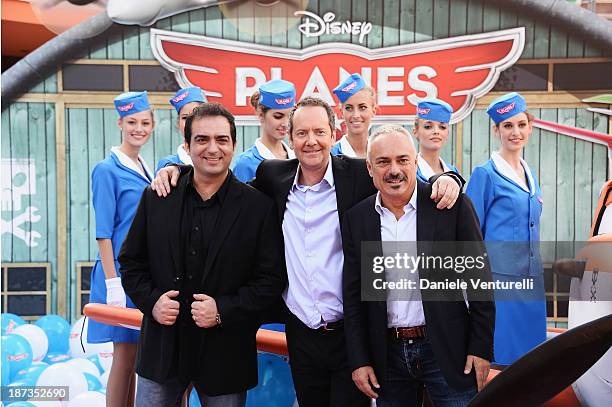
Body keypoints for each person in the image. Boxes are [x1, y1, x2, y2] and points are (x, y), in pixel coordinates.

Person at [152, 97, 464, 407]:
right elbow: (224, 185)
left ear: (334, 134)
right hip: (301, 334)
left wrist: (446, 178)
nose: (311, 141)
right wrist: (175, 169)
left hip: (349, 333)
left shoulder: (359, 175)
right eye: (302, 133)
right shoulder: (274, 177)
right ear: (290, 137)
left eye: (319, 132)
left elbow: (403, 178)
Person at [119, 103, 286, 407]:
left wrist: (223, 309)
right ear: (187, 145)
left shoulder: (257, 208)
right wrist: (152, 302)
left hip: (225, 356)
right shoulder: (158, 197)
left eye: (222, 140)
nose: (213, 148)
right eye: (202, 139)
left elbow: (270, 281)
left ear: (234, 145)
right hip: (162, 349)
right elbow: (131, 262)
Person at [342, 124, 495, 407]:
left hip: (449, 350)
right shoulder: (357, 219)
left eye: (402, 160)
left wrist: (481, 347)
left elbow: (479, 280)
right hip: (387, 357)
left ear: (415, 162)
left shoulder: (450, 206)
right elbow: (353, 297)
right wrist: (359, 359)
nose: (394, 170)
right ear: (369, 168)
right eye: (383, 162)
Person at [465, 92, 546, 366]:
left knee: (534, 363)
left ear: (530, 127)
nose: (516, 132)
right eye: (508, 126)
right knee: (504, 364)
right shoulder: (485, 174)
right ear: (496, 130)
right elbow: (470, 236)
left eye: (521, 124)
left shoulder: (529, 174)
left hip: (532, 285)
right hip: (500, 289)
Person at [88, 91, 155, 406]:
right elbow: (103, 232)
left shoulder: (145, 167)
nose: (138, 129)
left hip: (138, 274)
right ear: (120, 123)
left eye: (144, 122)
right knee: (125, 357)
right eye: (132, 122)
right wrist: (113, 284)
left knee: (137, 358)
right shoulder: (107, 169)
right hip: (117, 274)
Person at [233, 79, 296, 182]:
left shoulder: (297, 157)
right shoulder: (246, 163)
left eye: (290, 117)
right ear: (261, 115)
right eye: (278, 116)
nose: (285, 124)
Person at [156, 86, 207, 172]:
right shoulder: (167, 165)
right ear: (178, 123)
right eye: (185, 118)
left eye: (196, 116)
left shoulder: (215, 158)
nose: (190, 122)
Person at [414, 99, 461, 183]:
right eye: (428, 126)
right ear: (415, 132)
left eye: (442, 127)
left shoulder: (453, 172)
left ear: (447, 134)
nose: (436, 131)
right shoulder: (411, 170)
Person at [331, 73, 377, 158]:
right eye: (349, 108)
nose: (356, 115)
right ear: (341, 112)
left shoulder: (381, 153)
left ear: (373, 110)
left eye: (362, 107)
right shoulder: (332, 155)